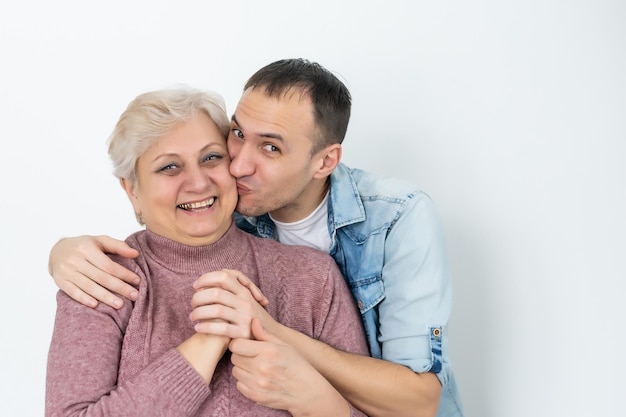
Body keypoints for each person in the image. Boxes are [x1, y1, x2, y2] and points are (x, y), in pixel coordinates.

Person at [49, 58, 464, 417]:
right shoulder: (103, 278)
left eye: (211, 157)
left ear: (325, 161)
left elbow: (418, 402)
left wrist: (311, 388)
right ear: (131, 189)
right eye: (168, 167)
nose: (236, 168)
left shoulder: (379, 229)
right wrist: (208, 340)